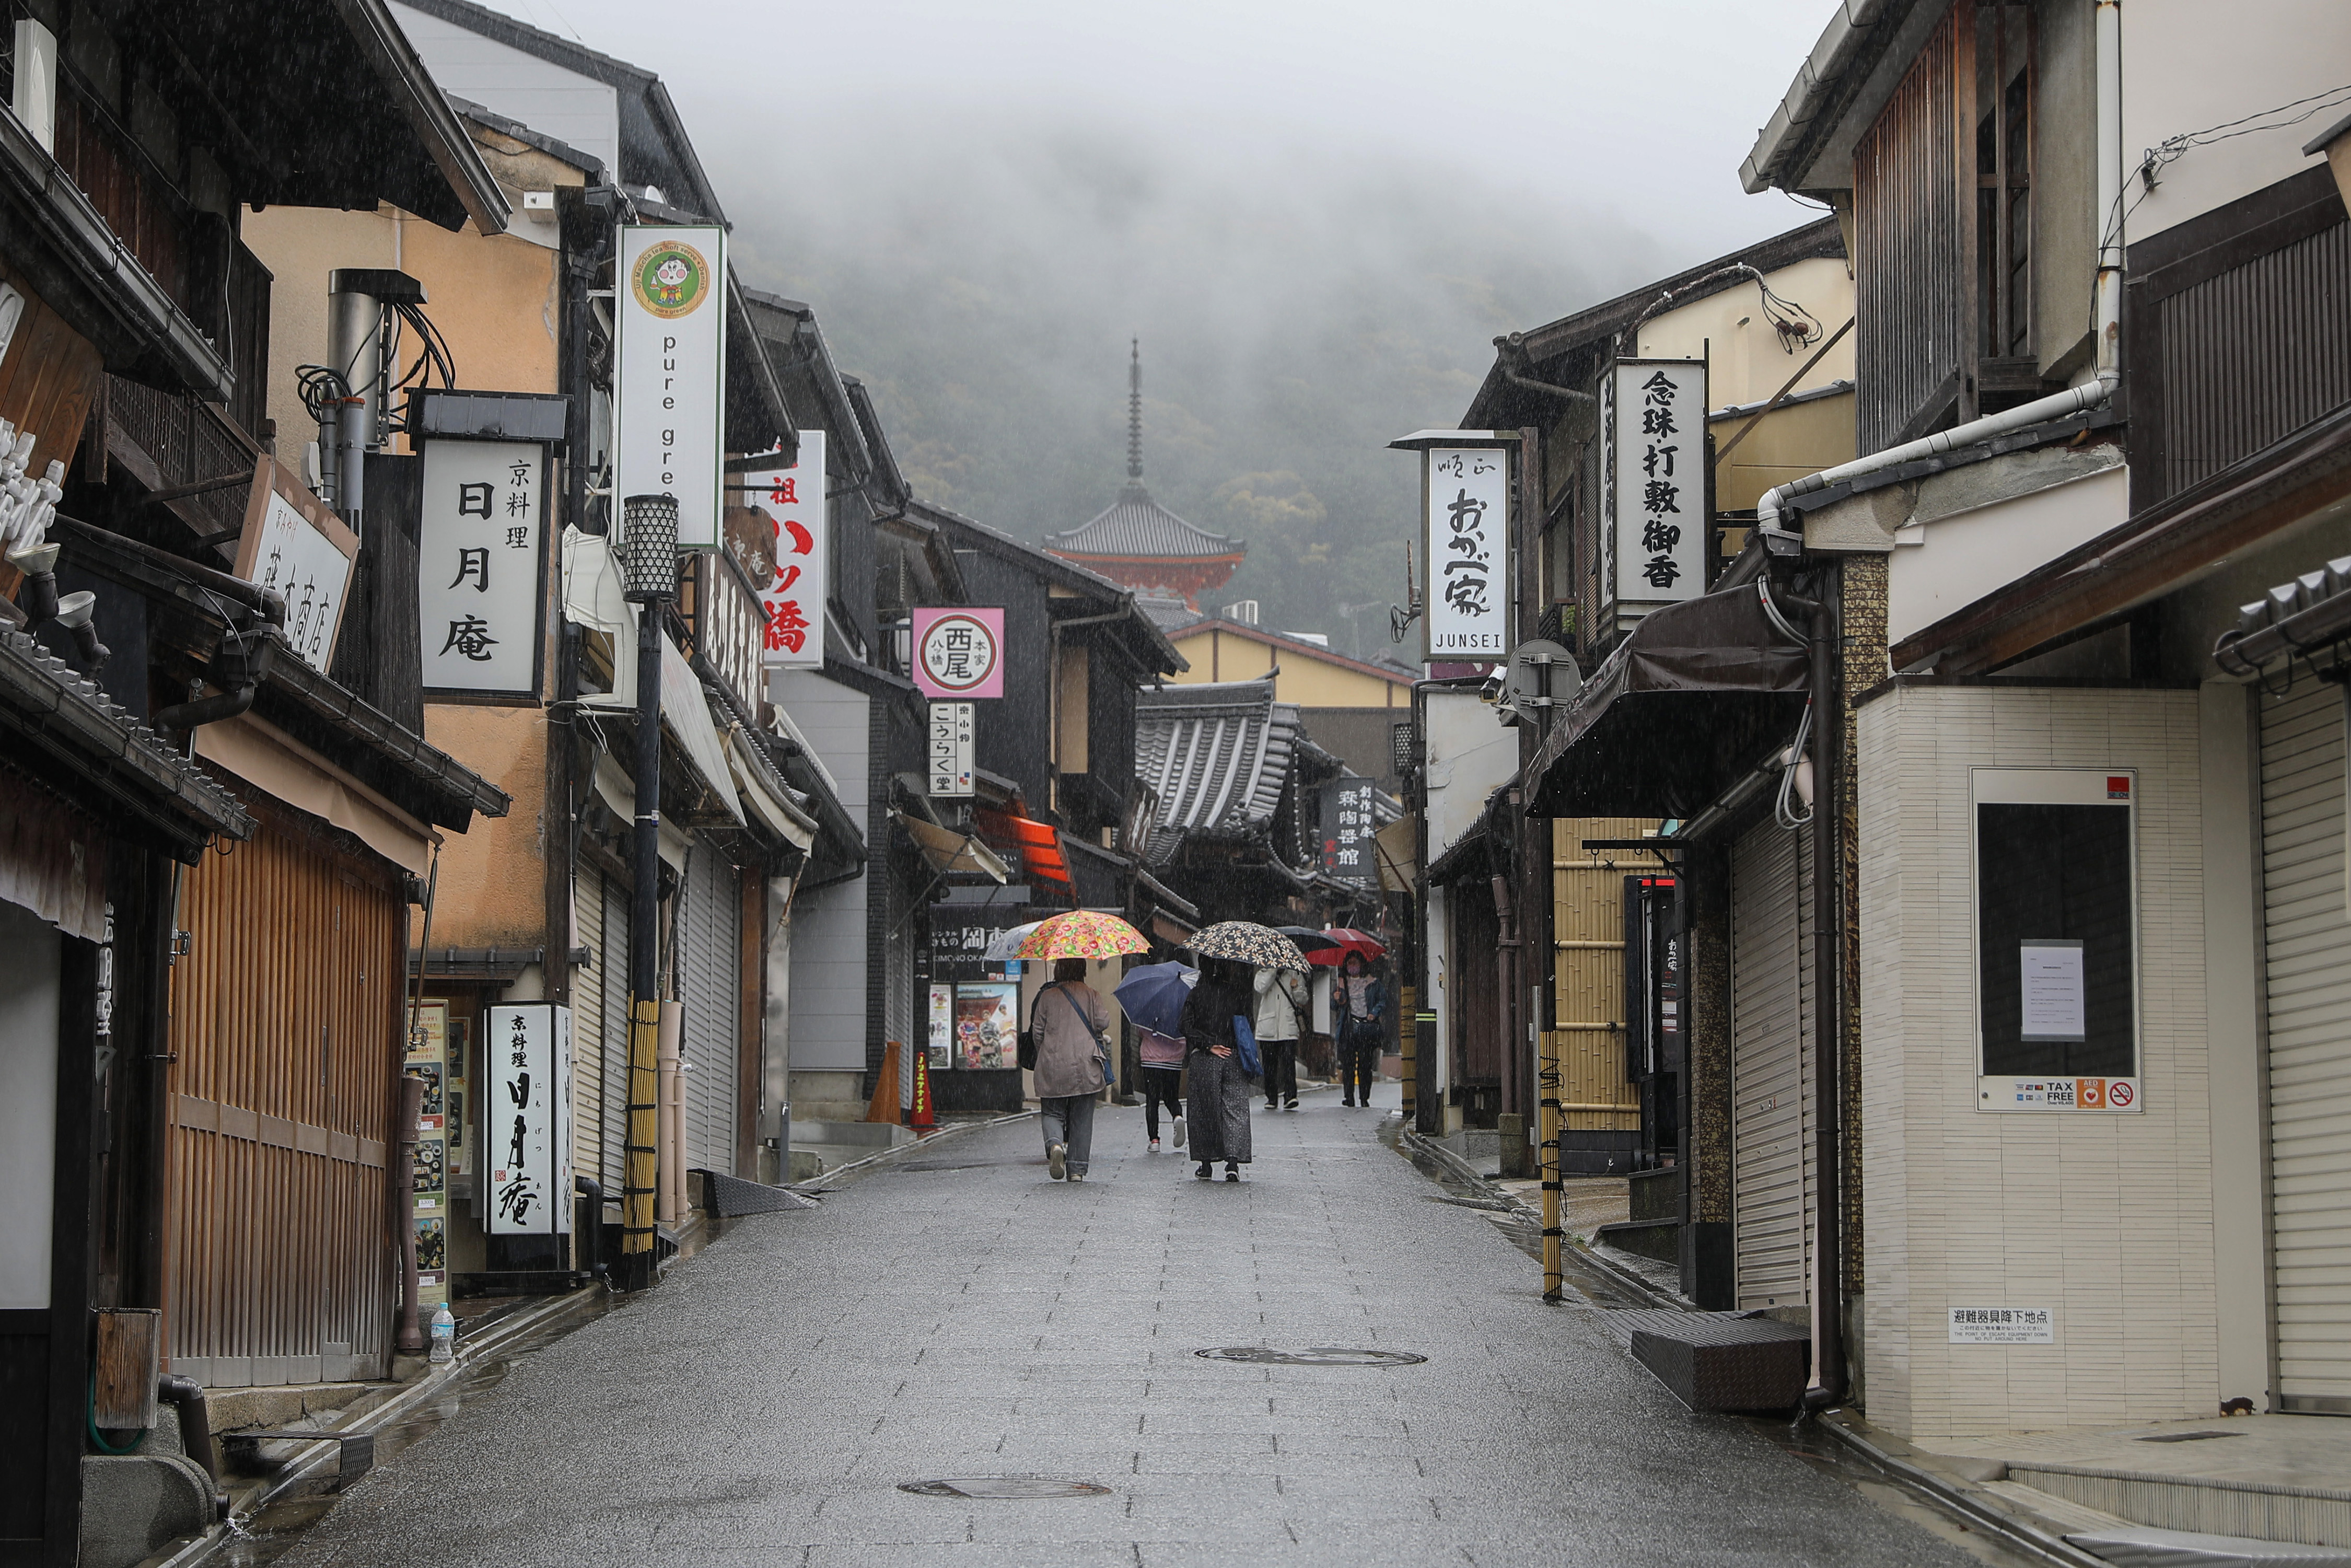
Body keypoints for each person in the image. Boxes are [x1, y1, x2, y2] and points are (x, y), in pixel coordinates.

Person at [1030, 957, 1112, 1181]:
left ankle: (1056, 1145)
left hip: (1053, 1063)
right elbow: (1103, 1022)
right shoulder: (1091, 994)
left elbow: (1037, 1032)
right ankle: (1077, 1170)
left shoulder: (1047, 996)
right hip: (1085, 1065)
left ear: (1058, 969)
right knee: (1082, 1117)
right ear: (1083, 969)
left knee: (1051, 1111)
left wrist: (1046, 1053)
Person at [1178, 957, 1256, 1181]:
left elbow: (1184, 1025)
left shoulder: (1197, 993)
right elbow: (1247, 1025)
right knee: (1236, 1109)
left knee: (1205, 1110)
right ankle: (1233, 1164)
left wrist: (1207, 1043)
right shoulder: (1237, 992)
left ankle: (1206, 1163)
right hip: (1233, 1056)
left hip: (1205, 1059)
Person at [1252, 963, 1306, 1112]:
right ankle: (1272, 1097)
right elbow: (1261, 988)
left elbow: (1303, 998)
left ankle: (1291, 1096)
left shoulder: (1294, 974)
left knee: (1288, 1061)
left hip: (1287, 1025)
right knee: (1270, 1064)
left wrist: (1296, 988)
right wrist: (1273, 971)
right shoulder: (1262, 973)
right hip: (1268, 1026)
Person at [1335, 952, 1386, 1108]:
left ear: (1362, 964)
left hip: (1366, 1027)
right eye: (1349, 963)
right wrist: (1337, 999)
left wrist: (1374, 1013)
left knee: (1365, 1066)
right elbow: (1335, 1006)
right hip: (1348, 1028)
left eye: (1355, 963)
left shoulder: (1373, 983)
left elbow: (1383, 1000)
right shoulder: (1342, 983)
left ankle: (1364, 1097)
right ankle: (1349, 1097)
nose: (1353, 966)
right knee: (1348, 1065)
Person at [1138, 1025, 1184, 1151]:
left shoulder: (1149, 1009)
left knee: (1152, 1101)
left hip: (1151, 1058)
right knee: (1172, 1097)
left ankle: (1154, 1141)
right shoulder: (1178, 1010)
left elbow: (1141, 1031)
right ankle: (1177, 1116)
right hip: (1174, 1059)